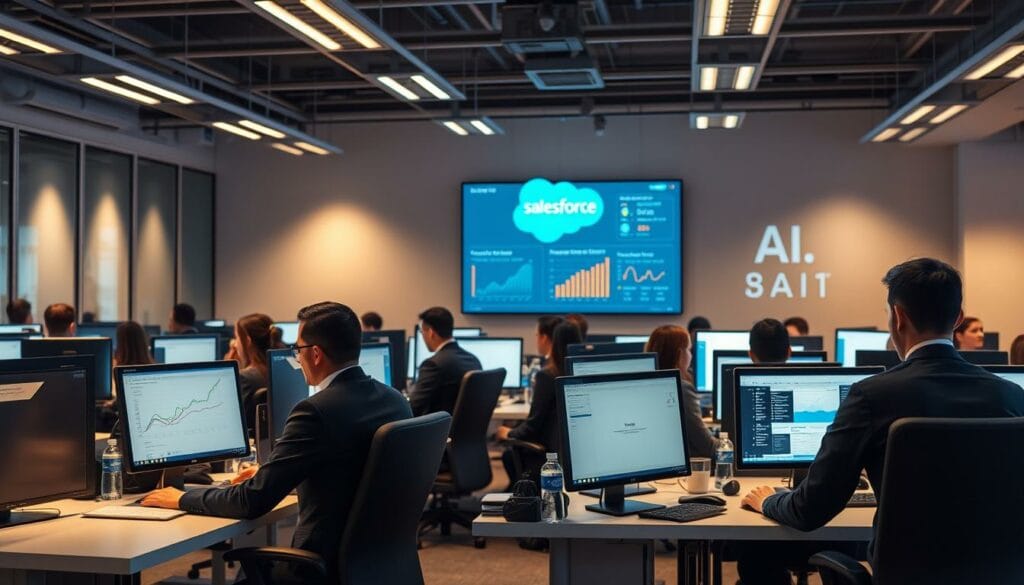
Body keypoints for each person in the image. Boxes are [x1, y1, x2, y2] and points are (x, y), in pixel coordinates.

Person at [739, 258, 1024, 583]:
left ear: (898, 317)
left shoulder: (871, 397)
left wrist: (768, 500)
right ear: (958, 318)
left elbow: (809, 511)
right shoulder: (1012, 398)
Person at [142, 302, 412, 584]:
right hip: (376, 566)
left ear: (316, 354)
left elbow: (252, 501)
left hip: (319, 570)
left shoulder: (316, 411)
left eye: (298, 349)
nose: (296, 356)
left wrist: (182, 498)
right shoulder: (395, 401)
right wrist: (272, 473)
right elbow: (351, 472)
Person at [497, 321, 582, 482]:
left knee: (509, 455)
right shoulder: (579, 371)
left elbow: (533, 426)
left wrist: (508, 433)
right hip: (577, 455)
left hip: (550, 457)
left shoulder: (547, 375)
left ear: (553, 341)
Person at [645, 325, 718, 458]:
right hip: (692, 468)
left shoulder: (647, 386)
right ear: (680, 354)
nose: (691, 355)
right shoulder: (682, 389)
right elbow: (708, 447)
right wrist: (730, 444)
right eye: (689, 350)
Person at [409, 307, 481, 417]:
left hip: (437, 432)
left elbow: (412, 409)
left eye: (422, 332)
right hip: (465, 433)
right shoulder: (473, 360)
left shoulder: (433, 365)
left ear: (431, 332)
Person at [234, 313, 279, 433]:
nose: (235, 344)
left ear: (247, 341)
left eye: (237, 338)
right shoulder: (281, 371)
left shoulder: (244, 378)